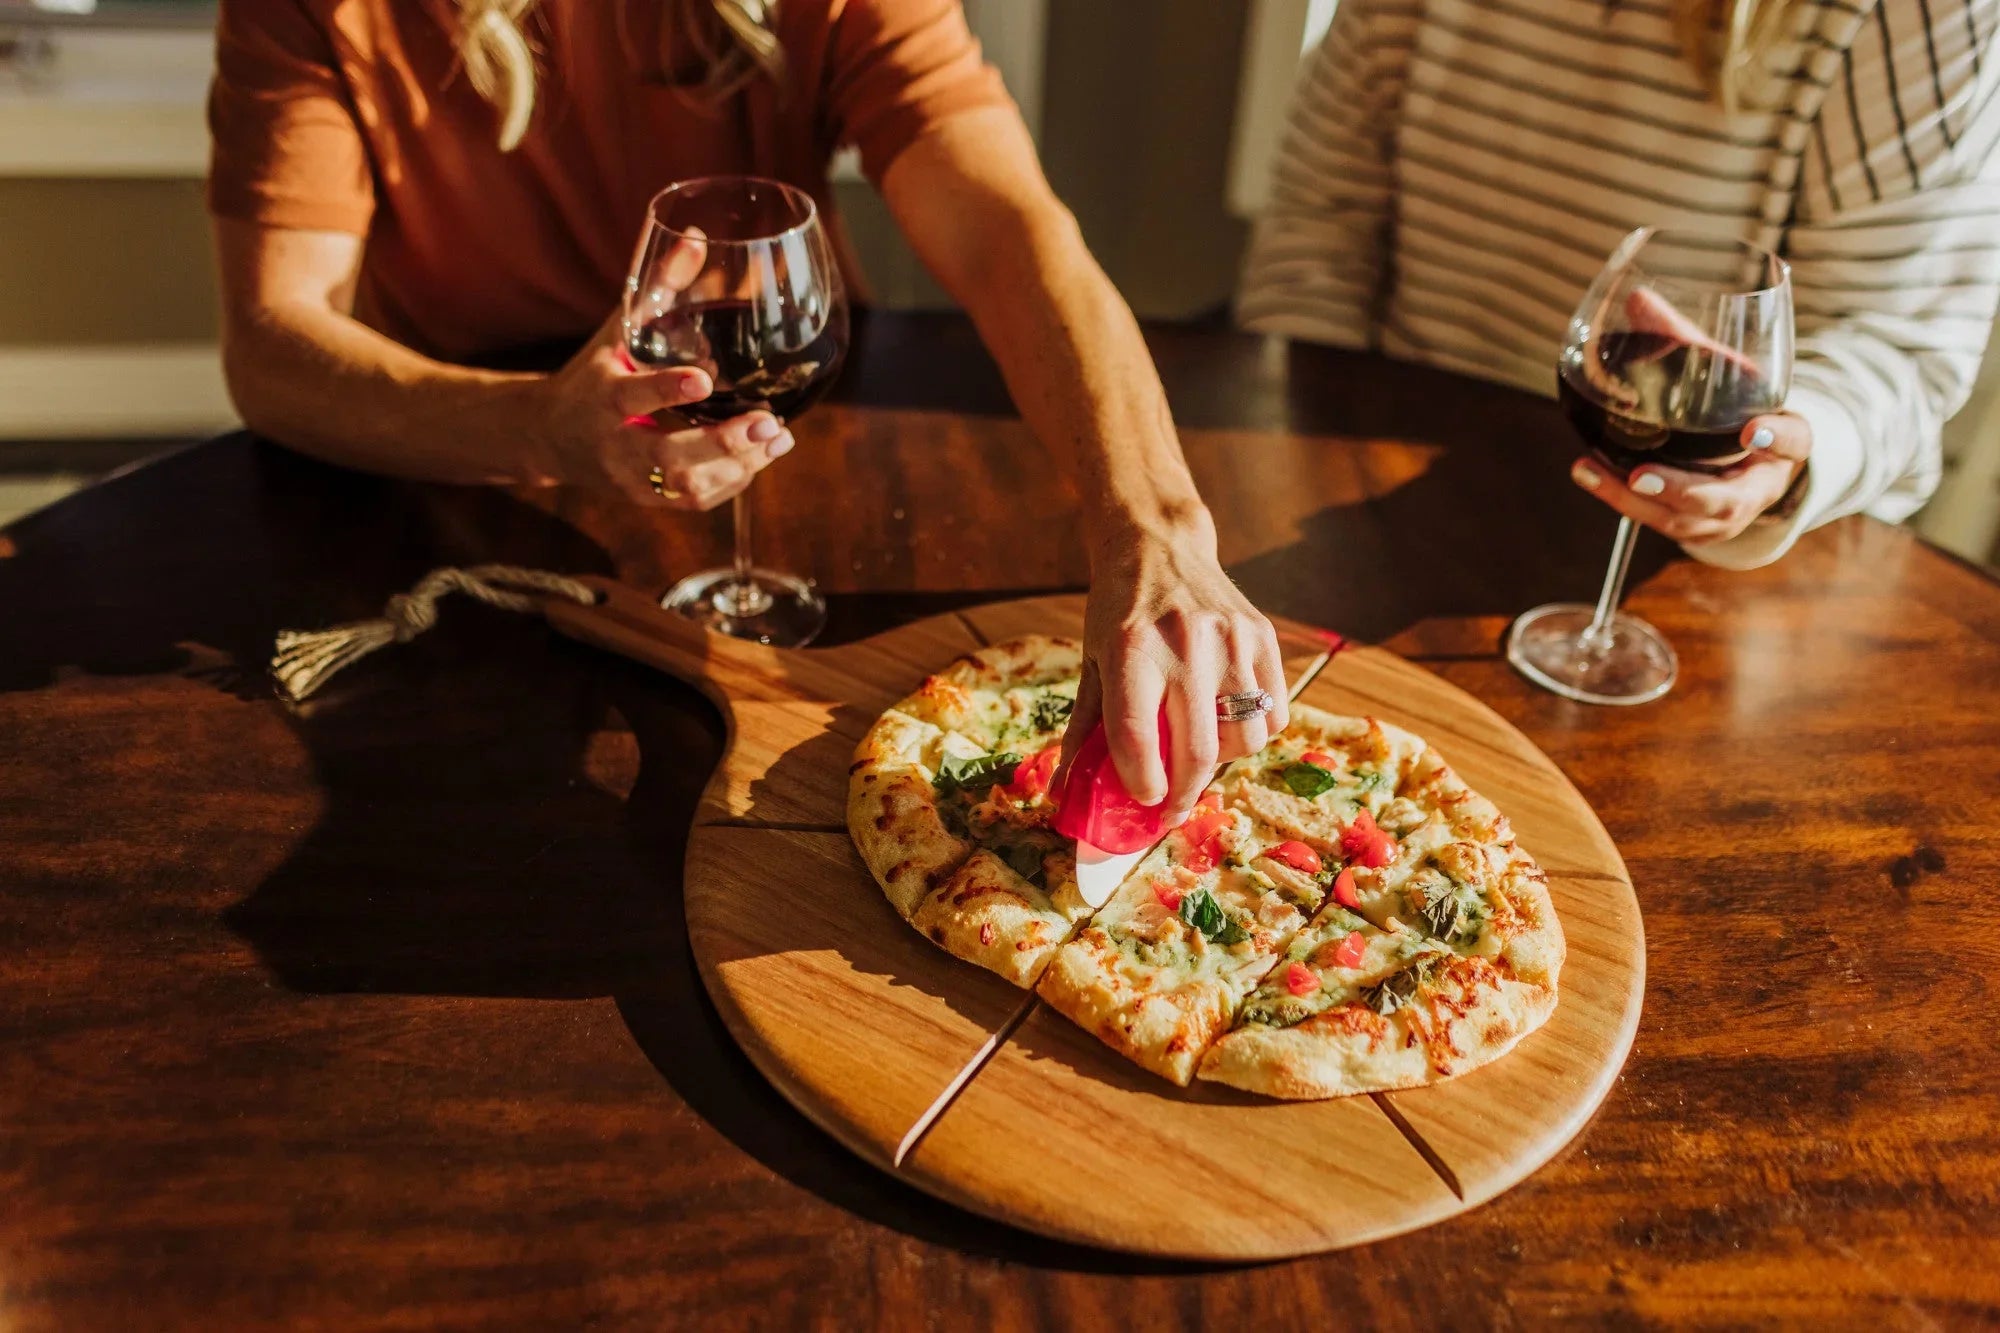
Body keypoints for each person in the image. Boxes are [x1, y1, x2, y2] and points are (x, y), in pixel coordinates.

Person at [207, 0, 1287, 817]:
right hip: (459, 505)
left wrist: (1152, 525)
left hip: (799, 456)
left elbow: (1005, 228)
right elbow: (274, 348)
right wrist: (541, 425)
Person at [1240, 0, 2000, 568]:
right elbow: (1319, 230)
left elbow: (1900, 343)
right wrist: (1304, 475)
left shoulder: (1921, 16)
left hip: (1728, 566)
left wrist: (1777, 467)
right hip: (1398, 491)